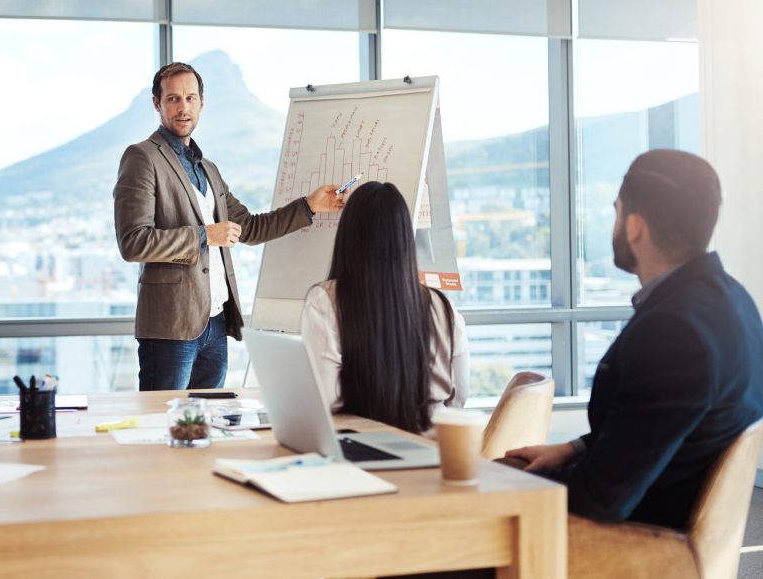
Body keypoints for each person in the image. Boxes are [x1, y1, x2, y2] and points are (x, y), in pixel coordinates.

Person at [507, 150, 763, 529]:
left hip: (637, 540)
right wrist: (573, 449)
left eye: (617, 211)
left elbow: (600, 499)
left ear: (635, 226)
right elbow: (666, 427)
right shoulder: (735, 301)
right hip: (672, 517)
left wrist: (499, 483)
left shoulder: (673, 332)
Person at [115, 62, 344, 391]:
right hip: (170, 328)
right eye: (173, 99)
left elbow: (249, 228)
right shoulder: (142, 158)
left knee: (207, 425)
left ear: (202, 104)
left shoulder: (208, 169)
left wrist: (309, 206)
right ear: (157, 103)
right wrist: (206, 236)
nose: (183, 108)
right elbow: (133, 242)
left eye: (191, 98)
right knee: (161, 422)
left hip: (216, 324)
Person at [301, 181, 469, 436]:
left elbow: (325, 398)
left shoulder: (326, 300)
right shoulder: (443, 306)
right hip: (431, 452)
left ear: (348, 235)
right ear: (405, 237)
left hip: (360, 448)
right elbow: (459, 399)